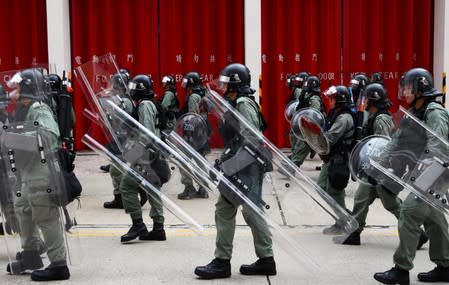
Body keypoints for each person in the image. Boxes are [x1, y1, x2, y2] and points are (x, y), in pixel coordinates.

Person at [195, 63, 276, 279]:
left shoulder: (242, 104)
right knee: (230, 208)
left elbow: (250, 140)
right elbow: (236, 141)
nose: (222, 87)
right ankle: (261, 260)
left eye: (226, 83)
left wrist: (228, 167)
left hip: (247, 167)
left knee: (249, 210)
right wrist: (223, 162)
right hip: (243, 164)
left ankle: (227, 262)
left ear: (235, 84)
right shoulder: (236, 103)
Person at [374, 68, 449, 284]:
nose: (404, 91)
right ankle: (445, 265)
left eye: (408, 87)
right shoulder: (414, 112)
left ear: (420, 88)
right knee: (434, 217)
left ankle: (401, 270)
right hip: (428, 169)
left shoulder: (434, 112)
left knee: (408, 212)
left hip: (438, 170)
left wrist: (423, 173)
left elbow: (439, 147)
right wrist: (378, 164)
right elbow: (396, 141)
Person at [4, 68, 70, 281]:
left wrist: (15, 140)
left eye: (20, 87)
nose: (15, 91)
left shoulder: (39, 108)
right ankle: (31, 255)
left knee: (45, 215)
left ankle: (59, 265)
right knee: (23, 209)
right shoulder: (23, 109)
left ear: (28, 87)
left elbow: (50, 135)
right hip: (28, 170)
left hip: (42, 171)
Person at [342, 83, 427, 247]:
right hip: (373, 168)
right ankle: (354, 232)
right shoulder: (373, 116)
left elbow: (384, 145)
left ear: (373, 100)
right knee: (361, 199)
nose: (364, 102)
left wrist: (379, 171)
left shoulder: (382, 119)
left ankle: (418, 234)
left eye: (366, 99)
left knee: (391, 204)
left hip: (381, 170)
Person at [118, 74, 168, 242]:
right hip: (153, 153)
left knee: (126, 186)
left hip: (145, 155)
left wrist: (133, 154)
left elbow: (145, 134)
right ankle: (158, 228)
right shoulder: (151, 103)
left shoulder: (144, 105)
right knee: (153, 189)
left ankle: (138, 224)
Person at [315, 85, 355, 235]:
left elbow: (330, 138)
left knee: (335, 190)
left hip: (340, 159)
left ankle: (342, 222)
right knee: (321, 188)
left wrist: (313, 135)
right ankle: (344, 214)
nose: (329, 101)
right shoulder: (335, 114)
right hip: (331, 158)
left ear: (340, 101)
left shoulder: (344, 118)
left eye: (332, 98)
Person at [177, 72, 209, 200]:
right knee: (200, 160)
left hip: (193, 134)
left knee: (183, 160)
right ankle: (203, 187)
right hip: (202, 133)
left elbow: (191, 118)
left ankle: (189, 188)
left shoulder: (193, 97)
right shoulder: (202, 93)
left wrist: (188, 136)